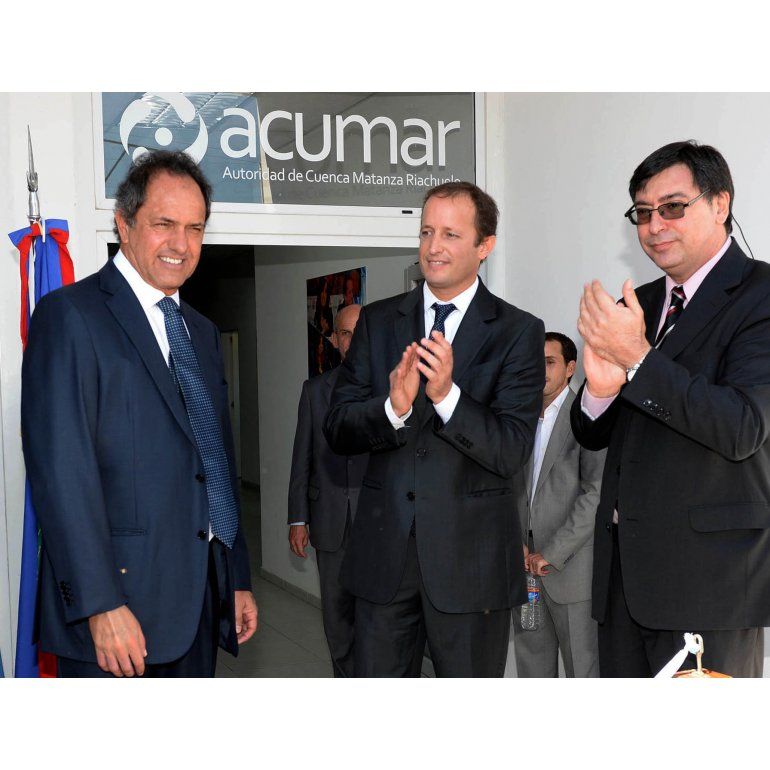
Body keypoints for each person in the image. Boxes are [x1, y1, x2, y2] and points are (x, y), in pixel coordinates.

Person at [21, 150, 257, 677]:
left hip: (199, 601)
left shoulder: (201, 331)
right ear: (123, 224)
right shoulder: (70, 317)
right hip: (115, 615)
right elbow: (62, 474)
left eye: (195, 228)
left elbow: (214, 460)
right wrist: (100, 604)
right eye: (164, 224)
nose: (182, 244)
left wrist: (235, 575)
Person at [324, 181, 545, 677]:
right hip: (384, 563)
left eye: (450, 234)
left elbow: (511, 450)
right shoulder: (378, 321)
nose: (433, 246)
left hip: (472, 569)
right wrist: (392, 409)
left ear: (485, 246)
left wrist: (447, 397)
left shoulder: (517, 331)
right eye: (426, 232)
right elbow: (337, 428)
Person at [572, 140, 770, 677]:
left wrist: (638, 358)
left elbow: (741, 426)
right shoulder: (640, 304)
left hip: (709, 585)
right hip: (623, 582)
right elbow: (592, 435)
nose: (654, 225)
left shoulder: (760, 295)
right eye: (643, 212)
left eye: (673, 207)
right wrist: (600, 392)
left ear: (720, 204)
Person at [512, 332, 604, 678]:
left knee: (583, 671)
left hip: (570, 570)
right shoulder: (518, 419)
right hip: (525, 570)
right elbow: (507, 486)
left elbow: (594, 494)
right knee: (532, 671)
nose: (540, 371)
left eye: (549, 362)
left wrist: (552, 552)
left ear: (569, 368)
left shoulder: (588, 416)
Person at [288, 304, 368, 677]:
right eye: (345, 333)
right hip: (330, 520)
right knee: (337, 616)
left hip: (380, 523)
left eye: (360, 331)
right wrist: (297, 518)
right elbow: (302, 457)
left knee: (379, 617)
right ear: (335, 339)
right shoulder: (315, 391)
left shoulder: (394, 389)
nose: (352, 340)